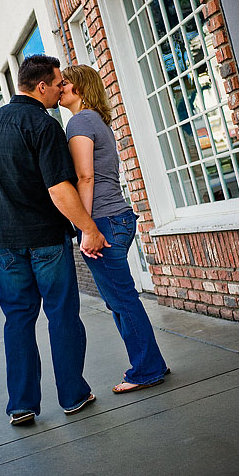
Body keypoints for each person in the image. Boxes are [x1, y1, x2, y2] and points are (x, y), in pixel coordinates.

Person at [0, 53, 109, 426]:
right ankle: (73, 395)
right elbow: (60, 190)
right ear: (41, 86)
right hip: (46, 242)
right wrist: (89, 228)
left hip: (7, 244)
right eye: (56, 84)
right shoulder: (44, 124)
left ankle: (21, 405)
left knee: (17, 321)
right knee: (62, 315)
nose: (59, 90)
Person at [59, 63, 168, 393]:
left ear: (79, 87)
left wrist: (86, 227)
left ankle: (147, 369)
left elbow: (86, 177)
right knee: (120, 299)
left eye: (65, 82)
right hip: (117, 218)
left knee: (122, 300)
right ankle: (149, 363)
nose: (59, 87)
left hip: (103, 221)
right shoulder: (95, 121)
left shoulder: (80, 121)